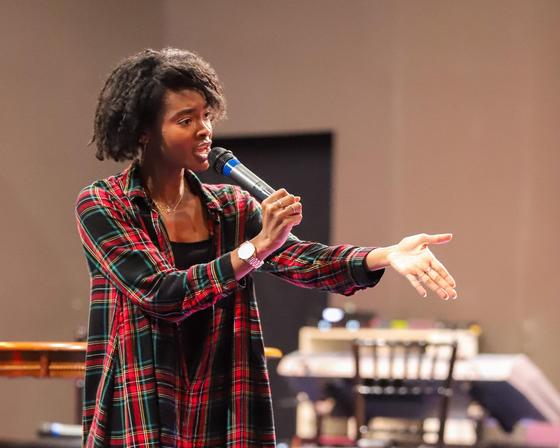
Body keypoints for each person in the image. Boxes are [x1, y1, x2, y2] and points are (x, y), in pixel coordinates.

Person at [75, 48, 457, 447]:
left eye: (206, 115)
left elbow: (304, 260)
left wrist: (385, 254)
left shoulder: (230, 207)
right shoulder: (104, 203)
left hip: (220, 387)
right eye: (186, 120)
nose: (204, 129)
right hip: (145, 391)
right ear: (143, 131)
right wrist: (254, 248)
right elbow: (159, 292)